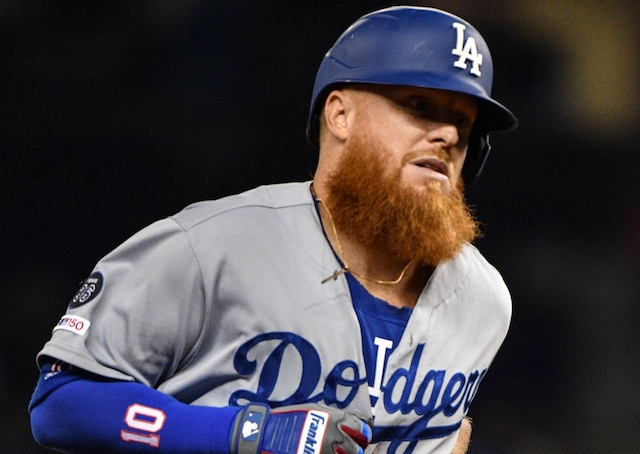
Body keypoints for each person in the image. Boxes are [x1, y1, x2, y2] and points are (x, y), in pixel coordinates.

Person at [29, 6, 517, 454]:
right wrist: (241, 434)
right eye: (418, 105)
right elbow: (62, 403)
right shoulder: (212, 245)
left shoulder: (482, 300)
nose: (449, 135)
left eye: (462, 122)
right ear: (340, 114)